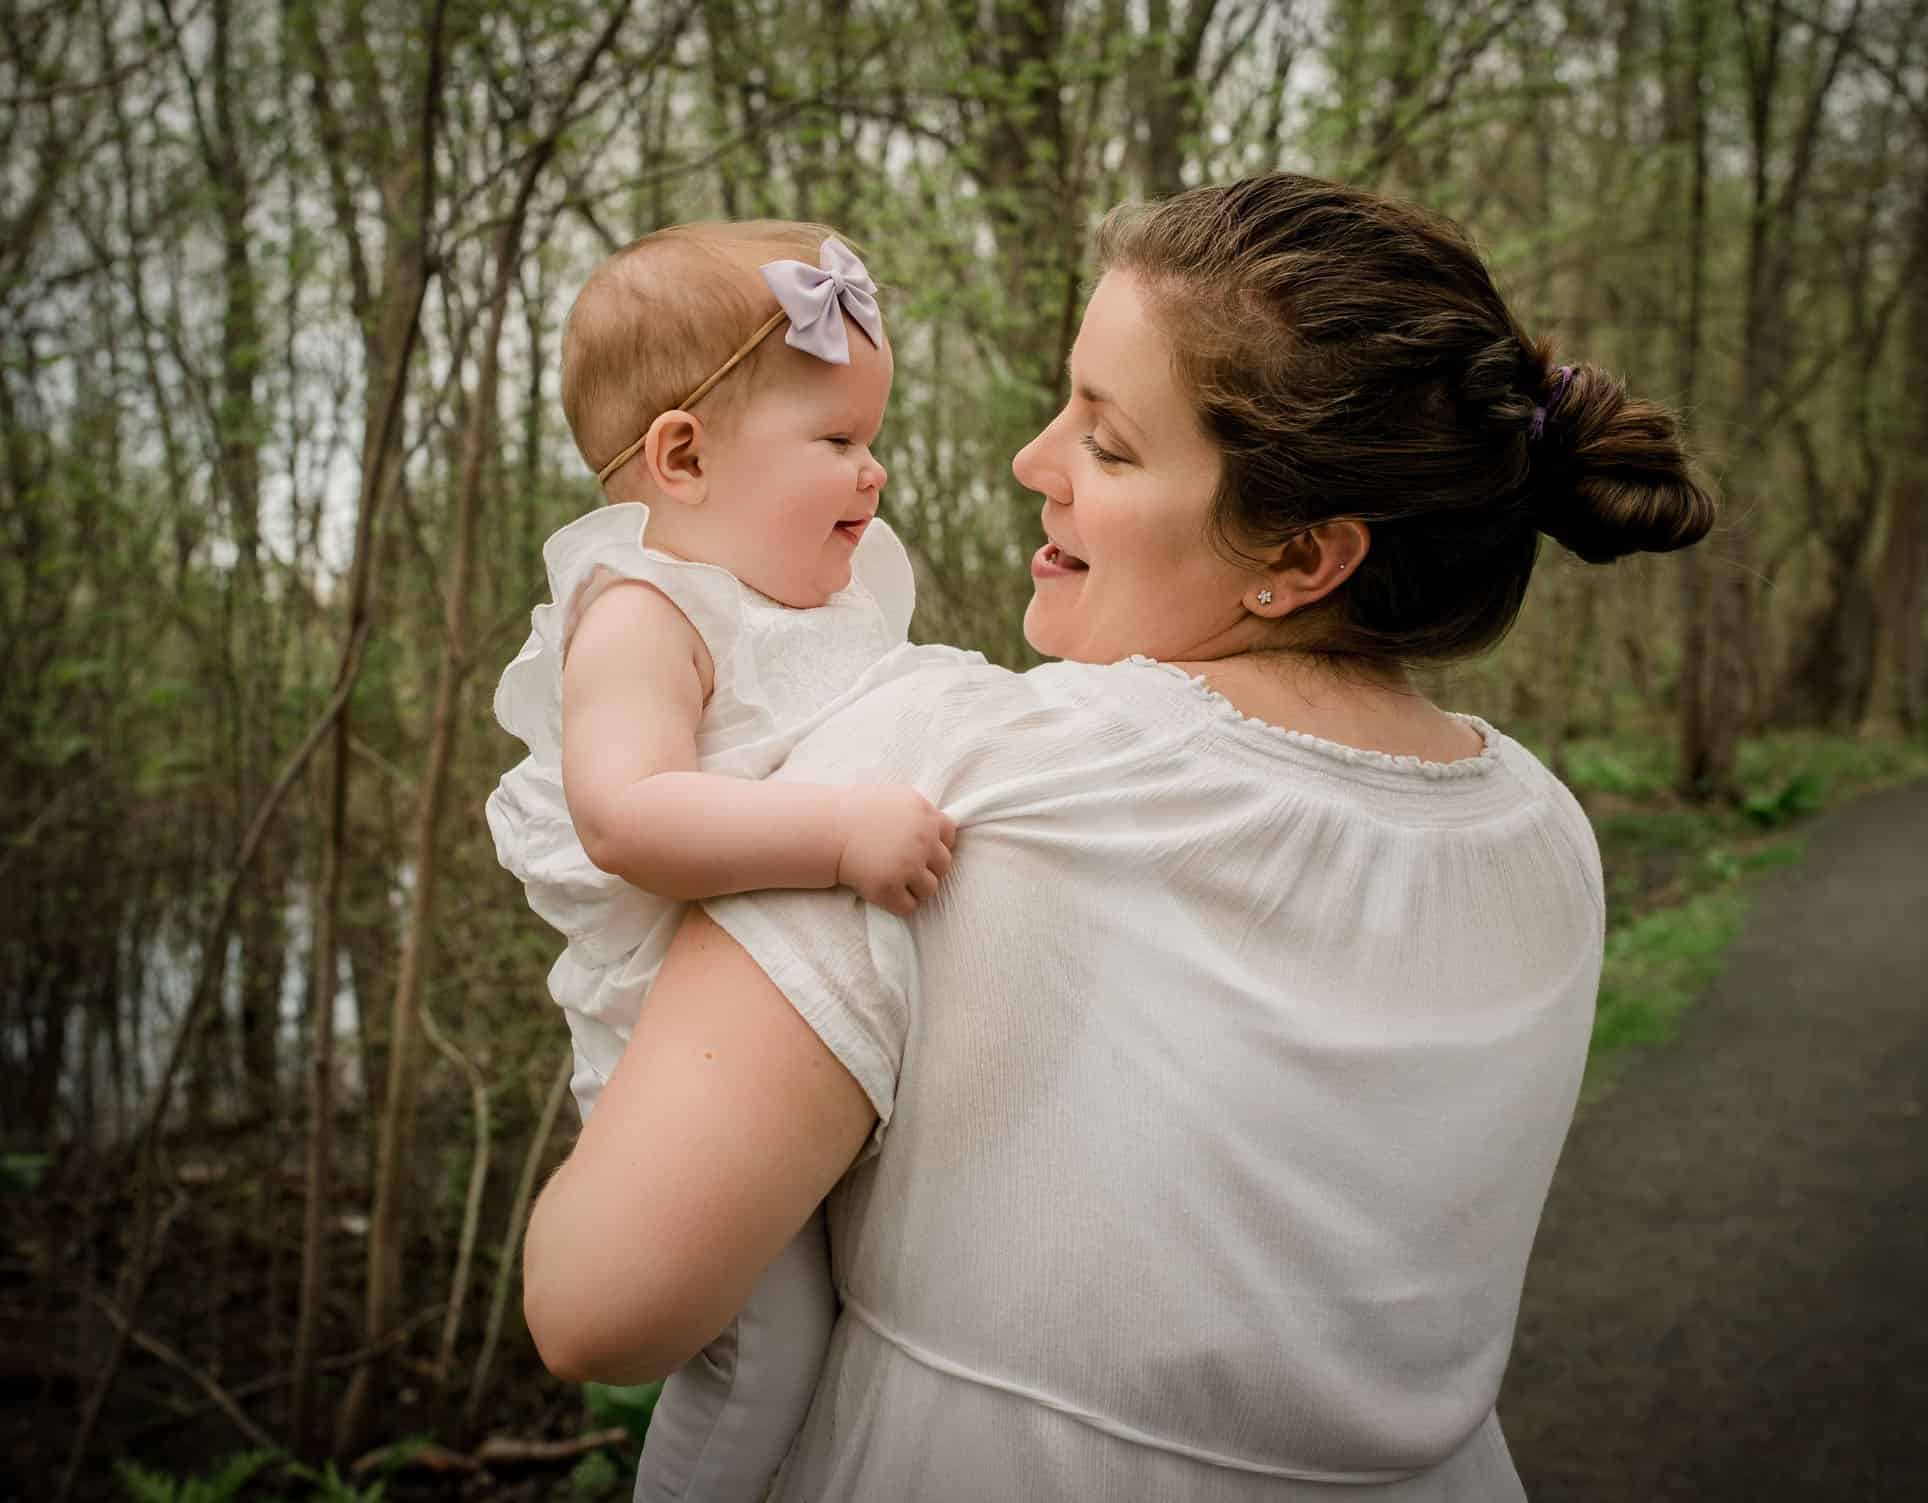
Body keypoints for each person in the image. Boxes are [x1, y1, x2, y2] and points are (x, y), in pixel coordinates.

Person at [523, 172, 1717, 1500]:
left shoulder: (948, 765)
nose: (1031, 463)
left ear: (1305, 550)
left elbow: (598, 1308)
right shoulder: (1546, 834)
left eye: (1108, 441)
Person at [486, 221, 958, 1503]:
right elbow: (627, 815)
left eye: (871, 440)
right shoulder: (642, 613)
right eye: (837, 442)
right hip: (668, 1045)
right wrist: (840, 833)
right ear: (684, 456)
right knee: (759, 1349)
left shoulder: (806, 587)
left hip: (802, 1027)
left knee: (848, 1334)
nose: (871, 477)